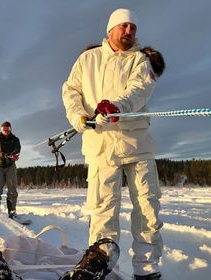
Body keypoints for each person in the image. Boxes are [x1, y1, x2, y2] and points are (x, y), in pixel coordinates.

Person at [62, 8, 165, 280]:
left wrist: (118, 106)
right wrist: (77, 115)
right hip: (100, 147)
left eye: (133, 27)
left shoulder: (141, 61)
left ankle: (147, 269)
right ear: (110, 30)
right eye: (124, 26)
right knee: (102, 210)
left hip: (137, 143)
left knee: (147, 210)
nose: (129, 31)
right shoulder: (88, 60)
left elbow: (140, 89)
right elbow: (71, 89)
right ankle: (101, 266)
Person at [0, 121, 21, 218]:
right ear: (1, 130)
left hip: (10, 166)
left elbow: (18, 149)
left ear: (10, 129)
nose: (6, 131)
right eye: (4, 130)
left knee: (12, 189)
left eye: (8, 129)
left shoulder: (15, 139)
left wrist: (13, 155)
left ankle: (12, 210)